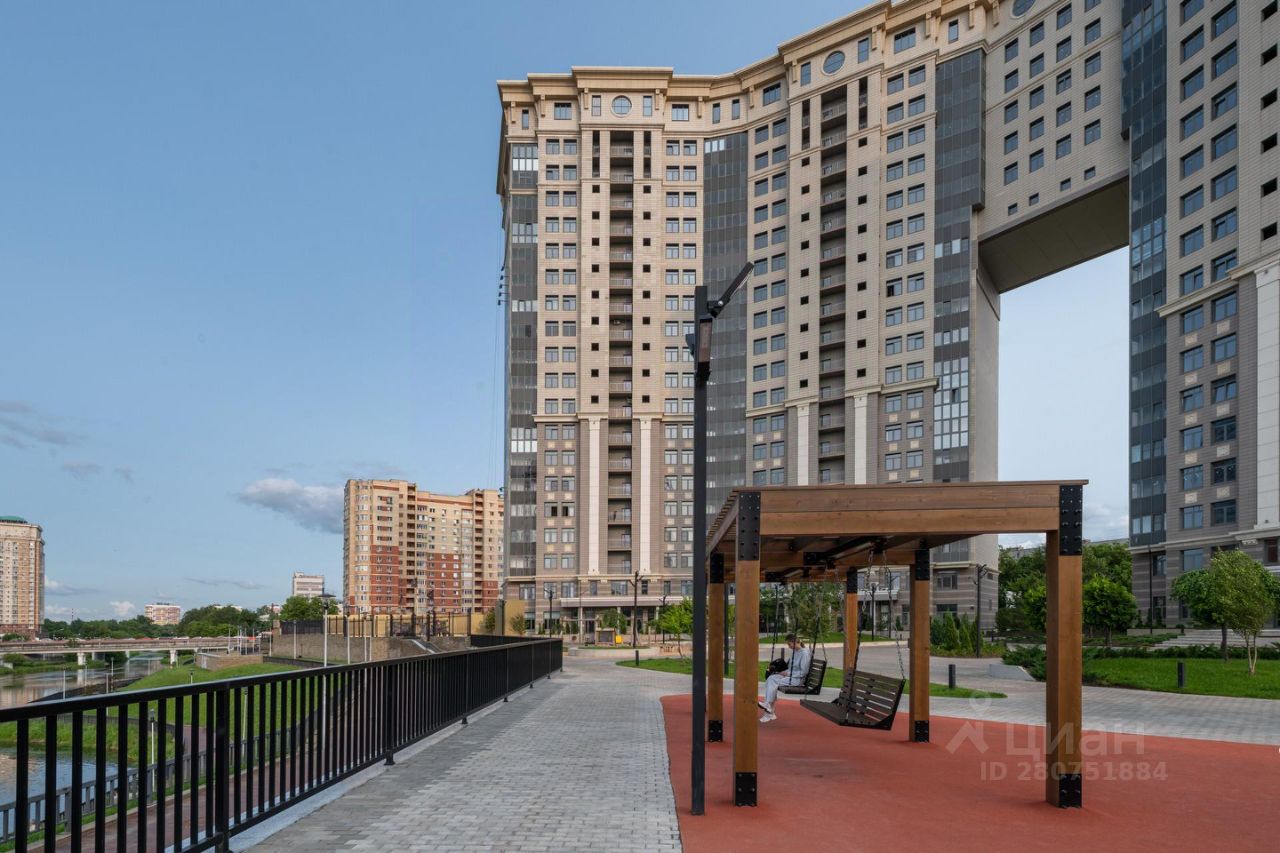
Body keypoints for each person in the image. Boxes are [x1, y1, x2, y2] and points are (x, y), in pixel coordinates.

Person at [758, 633, 810, 722]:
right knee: (771, 678)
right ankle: (768, 709)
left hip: (797, 679)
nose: (789, 646)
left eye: (789, 644)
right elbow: (791, 668)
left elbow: (803, 672)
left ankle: (769, 711)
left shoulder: (804, 653)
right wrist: (781, 671)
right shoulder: (795, 652)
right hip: (790, 676)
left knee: (772, 682)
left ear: (795, 642)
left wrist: (787, 673)